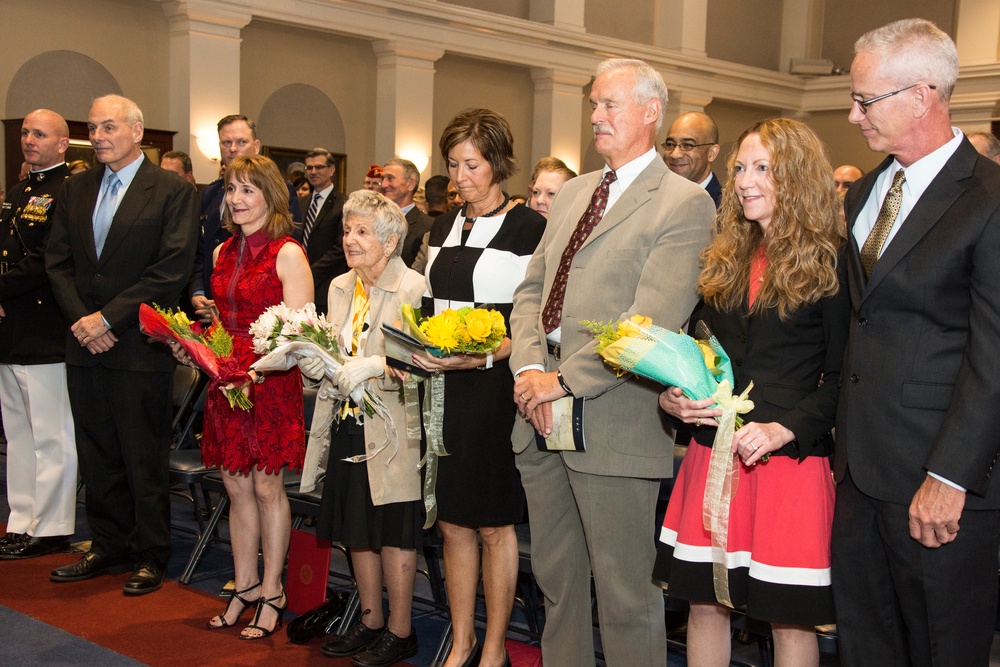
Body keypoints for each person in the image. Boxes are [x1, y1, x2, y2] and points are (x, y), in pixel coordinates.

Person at [509, 58, 714, 666]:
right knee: (557, 584)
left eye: (610, 105)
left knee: (626, 597)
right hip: (536, 407)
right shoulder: (574, 191)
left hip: (612, 418)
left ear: (651, 112)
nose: (595, 116)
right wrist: (526, 373)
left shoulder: (681, 203)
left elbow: (647, 323)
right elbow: (531, 292)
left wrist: (560, 382)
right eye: (593, 105)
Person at [833, 18, 1000, 666]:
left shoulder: (987, 197)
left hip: (939, 481)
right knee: (865, 647)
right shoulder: (870, 190)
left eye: (865, 100)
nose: (852, 115)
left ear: (923, 95)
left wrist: (950, 474)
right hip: (859, 476)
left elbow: (993, 356)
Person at [654, 118, 849, 667]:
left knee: (788, 619)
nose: (744, 180)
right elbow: (694, 354)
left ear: (798, 178)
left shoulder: (832, 259)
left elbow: (845, 379)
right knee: (704, 607)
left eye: (763, 168)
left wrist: (784, 427)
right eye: (740, 167)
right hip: (712, 452)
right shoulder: (725, 256)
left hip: (786, 463)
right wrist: (673, 398)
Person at [45, 94, 199, 595]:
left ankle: (150, 554)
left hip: (138, 344)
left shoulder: (171, 190)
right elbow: (59, 263)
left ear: (137, 131)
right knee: (96, 452)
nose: (98, 136)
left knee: (141, 455)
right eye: (92, 128)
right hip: (83, 344)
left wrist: (108, 318)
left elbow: (171, 267)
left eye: (108, 126)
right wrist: (83, 323)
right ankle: (107, 545)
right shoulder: (75, 188)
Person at [412, 109, 546, 667]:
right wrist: (412, 348)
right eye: (452, 164)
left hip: (494, 393)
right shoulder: (440, 226)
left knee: (493, 524)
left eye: (472, 164)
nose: (460, 176)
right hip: (442, 389)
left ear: (498, 163)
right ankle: (462, 639)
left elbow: (534, 324)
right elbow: (424, 305)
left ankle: (495, 646)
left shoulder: (528, 227)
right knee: (450, 520)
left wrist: (483, 356)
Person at [298, 189, 425, 667]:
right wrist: (307, 356)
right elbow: (331, 350)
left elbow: (419, 361)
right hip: (344, 419)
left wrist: (374, 365)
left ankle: (401, 630)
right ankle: (371, 621)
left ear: (390, 242)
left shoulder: (412, 287)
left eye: (361, 231)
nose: (350, 239)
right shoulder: (337, 286)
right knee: (356, 530)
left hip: (390, 426)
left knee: (392, 531)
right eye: (347, 230)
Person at [193, 154, 312, 638]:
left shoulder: (287, 252)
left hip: (270, 382)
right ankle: (243, 586)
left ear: (270, 195)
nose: (236, 199)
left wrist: (255, 373)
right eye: (231, 189)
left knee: (267, 489)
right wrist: (203, 351)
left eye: (247, 189)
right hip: (228, 381)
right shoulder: (222, 252)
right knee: (236, 488)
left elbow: (301, 333)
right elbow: (221, 323)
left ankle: (272, 590)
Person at [0, 109, 78, 560]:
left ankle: (50, 526)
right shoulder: (18, 190)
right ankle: (21, 519)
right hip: (11, 328)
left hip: (44, 329)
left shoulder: (68, 190)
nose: (30, 140)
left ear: (63, 143)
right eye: (26, 132)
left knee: (51, 435)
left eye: (40, 133)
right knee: (19, 434)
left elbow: (47, 260)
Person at [188, 114, 302, 324]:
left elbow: (298, 331)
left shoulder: (288, 251)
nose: (233, 149)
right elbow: (198, 251)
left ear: (256, 145)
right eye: (226, 142)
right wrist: (199, 292)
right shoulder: (210, 193)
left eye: (241, 142)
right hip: (216, 317)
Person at [662, 111, 723, 206]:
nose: (675, 154)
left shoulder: (725, 209)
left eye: (687, 145)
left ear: (712, 153)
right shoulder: (656, 197)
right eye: (670, 144)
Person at [381, 158, 433, 269]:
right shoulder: (375, 220)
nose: (384, 184)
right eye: (383, 179)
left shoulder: (427, 226)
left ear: (411, 183)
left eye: (390, 178)